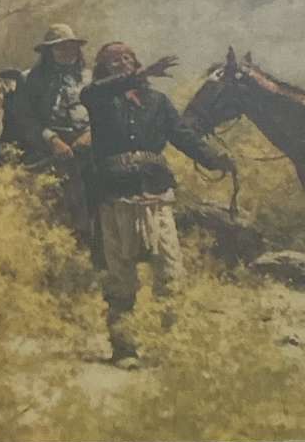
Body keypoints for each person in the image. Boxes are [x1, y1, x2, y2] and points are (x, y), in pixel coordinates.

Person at [80, 42, 235, 369]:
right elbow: (91, 93)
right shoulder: (98, 98)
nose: (122, 63)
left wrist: (215, 158)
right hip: (115, 197)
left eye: (127, 58)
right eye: (113, 61)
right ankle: (124, 349)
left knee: (170, 273)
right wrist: (142, 73)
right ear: (103, 68)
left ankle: (171, 347)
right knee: (120, 278)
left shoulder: (158, 102)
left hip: (156, 195)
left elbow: (182, 136)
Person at [8, 24, 96, 243]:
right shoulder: (29, 79)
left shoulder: (91, 77)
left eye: (71, 47)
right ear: (48, 52)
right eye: (60, 48)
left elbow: (105, 114)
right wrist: (53, 140)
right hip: (46, 152)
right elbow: (25, 119)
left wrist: (90, 135)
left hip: (89, 150)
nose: (67, 52)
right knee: (45, 210)